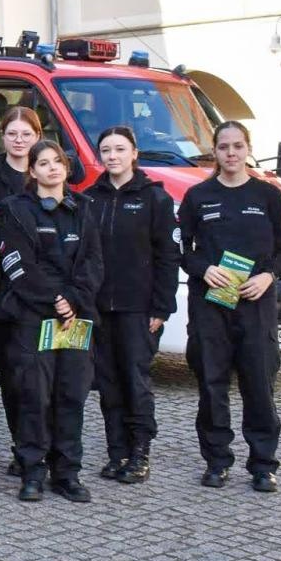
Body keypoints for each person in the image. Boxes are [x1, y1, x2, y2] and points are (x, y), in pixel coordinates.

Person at [179, 120, 281, 493]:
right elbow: (181, 250)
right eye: (224, 147)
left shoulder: (268, 196)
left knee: (259, 384)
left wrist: (268, 277)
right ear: (214, 151)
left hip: (255, 303)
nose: (231, 153)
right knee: (212, 385)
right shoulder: (198, 196)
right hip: (211, 305)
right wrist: (204, 268)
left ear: (248, 150)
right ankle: (217, 461)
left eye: (238, 146)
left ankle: (263, 465)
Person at [0, 140, 103, 503]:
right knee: (34, 395)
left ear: (66, 168)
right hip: (33, 316)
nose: (52, 168)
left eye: (58, 161)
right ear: (32, 170)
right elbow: (17, 264)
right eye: (43, 163)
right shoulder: (15, 209)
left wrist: (73, 300)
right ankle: (32, 472)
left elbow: (93, 263)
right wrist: (54, 299)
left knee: (71, 395)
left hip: (76, 317)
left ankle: (67, 473)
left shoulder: (84, 208)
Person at [86, 126, 181, 484]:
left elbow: (168, 257)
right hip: (99, 309)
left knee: (135, 381)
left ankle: (140, 451)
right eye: (106, 150)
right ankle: (117, 452)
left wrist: (161, 308)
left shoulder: (155, 198)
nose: (112, 156)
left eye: (120, 149)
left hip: (138, 308)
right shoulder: (89, 199)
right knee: (108, 383)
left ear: (134, 154)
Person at [0, 105, 43, 473]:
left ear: (37, 137)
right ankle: (22, 446)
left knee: (38, 377)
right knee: (10, 376)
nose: (19, 140)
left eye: (26, 134)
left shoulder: (47, 174)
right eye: (12, 134)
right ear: (1, 137)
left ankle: (40, 446)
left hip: (38, 293)